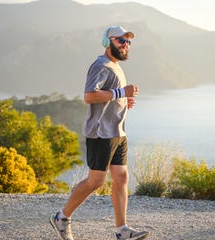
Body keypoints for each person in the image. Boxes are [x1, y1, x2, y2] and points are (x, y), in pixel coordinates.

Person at [49, 25, 149, 240]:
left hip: (117, 132)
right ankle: (61, 217)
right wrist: (122, 92)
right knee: (96, 181)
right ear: (108, 41)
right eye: (120, 41)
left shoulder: (115, 66)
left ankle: (122, 230)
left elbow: (109, 96)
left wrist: (124, 99)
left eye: (128, 42)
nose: (125, 45)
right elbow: (89, 96)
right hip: (101, 133)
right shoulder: (100, 65)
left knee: (121, 177)